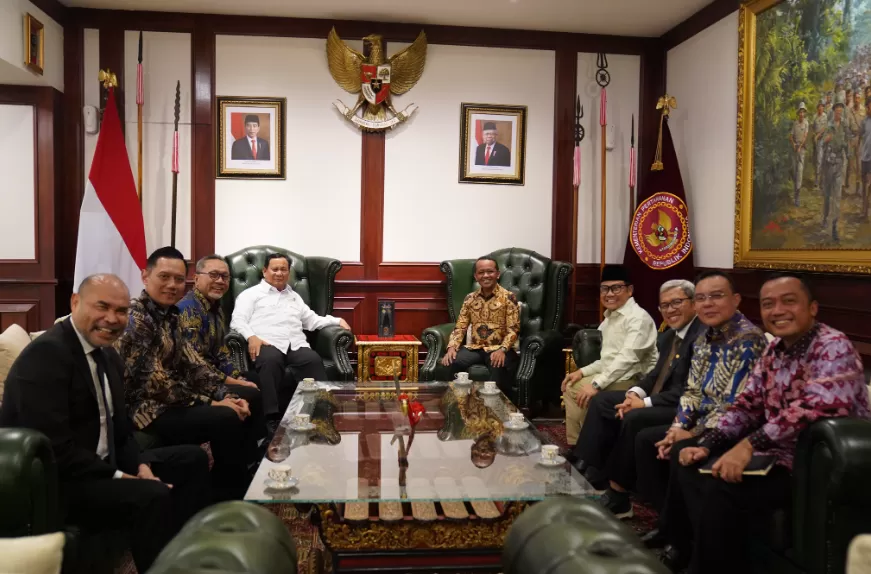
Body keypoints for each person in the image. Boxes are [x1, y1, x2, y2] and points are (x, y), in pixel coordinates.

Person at [659, 274, 870, 574]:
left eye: (789, 301)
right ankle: (697, 554)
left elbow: (815, 406)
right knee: (693, 465)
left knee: (722, 491)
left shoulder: (832, 346)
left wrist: (748, 445)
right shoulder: (775, 351)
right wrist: (708, 444)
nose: (778, 310)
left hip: (818, 467)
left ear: (812, 308)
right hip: (777, 455)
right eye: (769, 304)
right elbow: (747, 403)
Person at [0, 274, 210, 573]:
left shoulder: (108, 355)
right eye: (102, 307)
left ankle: (188, 551)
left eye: (121, 311)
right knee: (152, 496)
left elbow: (121, 428)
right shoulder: (47, 355)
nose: (112, 319)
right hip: (60, 481)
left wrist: (140, 467)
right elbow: (56, 451)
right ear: (75, 302)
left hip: (100, 463)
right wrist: (123, 478)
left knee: (191, 458)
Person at [116, 247, 263, 500]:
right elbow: (158, 383)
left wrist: (225, 392)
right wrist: (213, 401)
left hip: (170, 403)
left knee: (237, 402)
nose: (172, 285)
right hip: (145, 410)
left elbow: (194, 364)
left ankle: (237, 478)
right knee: (225, 416)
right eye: (164, 277)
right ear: (145, 276)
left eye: (178, 279)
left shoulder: (171, 315)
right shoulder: (137, 318)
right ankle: (227, 495)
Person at [633, 270, 767, 527]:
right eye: (702, 298)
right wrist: (676, 428)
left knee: (678, 449)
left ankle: (679, 532)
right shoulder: (704, 339)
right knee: (648, 440)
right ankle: (666, 519)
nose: (708, 304)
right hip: (703, 422)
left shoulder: (748, 339)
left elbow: (734, 405)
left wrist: (693, 432)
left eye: (716, 297)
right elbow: (692, 392)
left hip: (733, 429)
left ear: (736, 299)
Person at [570, 279, 704, 519]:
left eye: (677, 303)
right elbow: (655, 375)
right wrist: (635, 394)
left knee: (634, 416)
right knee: (605, 401)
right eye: (665, 306)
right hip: (660, 395)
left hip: (683, 405)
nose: (670, 310)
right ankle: (593, 467)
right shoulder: (671, 335)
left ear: (694, 304)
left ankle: (619, 494)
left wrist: (644, 403)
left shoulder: (702, 337)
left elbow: (689, 389)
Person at [230, 253, 352, 432]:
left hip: (295, 343)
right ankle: (271, 418)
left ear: (288, 273)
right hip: (266, 343)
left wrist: (335, 320)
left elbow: (311, 320)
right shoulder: (251, 295)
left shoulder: (294, 296)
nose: (279, 273)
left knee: (312, 359)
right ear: (265, 271)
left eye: (283, 269)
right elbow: (238, 321)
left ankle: (320, 414)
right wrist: (251, 337)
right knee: (270, 361)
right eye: (275, 269)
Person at [561, 265, 658, 446]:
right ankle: (577, 444)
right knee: (572, 383)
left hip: (636, 381)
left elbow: (627, 359)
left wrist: (596, 384)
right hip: (617, 375)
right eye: (605, 289)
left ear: (629, 290)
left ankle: (588, 445)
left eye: (616, 288)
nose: (609, 294)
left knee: (582, 390)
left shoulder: (638, 318)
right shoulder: (610, 319)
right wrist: (581, 372)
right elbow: (607, 360)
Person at [177, 255, 265, 436]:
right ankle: (252, 447)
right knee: (251, 392)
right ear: (196, 278)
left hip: (213, 374)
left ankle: (254, 443)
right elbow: (196, 365)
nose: (220, 281)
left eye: (224, 277)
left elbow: (222, 353)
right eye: (214, 275)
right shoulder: (188, 310)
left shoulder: (216, 308)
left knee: (255, 378)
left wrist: (238, 376)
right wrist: (235, 382)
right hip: (196, 380)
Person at [441, 256, 520, 392]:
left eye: (490, 272)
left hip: (500, 348)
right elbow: (461, 326)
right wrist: (452, 347)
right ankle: (453, 405)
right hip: (475, 348)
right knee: (451, 361)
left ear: (497, 274)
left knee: (498, 364)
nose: (486, 276)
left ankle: (497, 410)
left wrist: (502, 349)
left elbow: (513, 329)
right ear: (476, 276)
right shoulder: (470, 298)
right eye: (481, 272)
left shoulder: (508, 297)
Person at [822, 93, 850, 242]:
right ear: (833, 111)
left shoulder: (844, 126)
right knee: (827, 195)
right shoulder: (829, 126)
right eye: (837, 109)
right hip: (828, 165)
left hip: (839, 164)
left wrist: (848, 154)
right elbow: (821, 144)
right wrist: (826, 140)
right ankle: (825, 216)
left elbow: (846, 143)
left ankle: (834, 226)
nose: (839, 112)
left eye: (841, 109)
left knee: (837, 197)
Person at [789, 102, 809, 206]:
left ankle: (797, 197)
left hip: (801, 150)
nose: (801, 114)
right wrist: (793, 145)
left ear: (804, 113)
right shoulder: (795, 123)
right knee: (794, 171)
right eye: (800, 112)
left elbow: (805, 136)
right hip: (795, 149)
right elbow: (791, 136)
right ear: (798, 113)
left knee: (800, 172)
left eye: (803, 112)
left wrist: (800, 147)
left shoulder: (806, 123)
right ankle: (795, 191)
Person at [860, 96, 871, 220]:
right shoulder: (864, 121)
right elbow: (860, 134)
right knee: (864, 184)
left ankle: (866, 211)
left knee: (869, 184)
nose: (869, 108)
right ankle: (864, 209)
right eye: (868, 106)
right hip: (865, 156)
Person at [813, 99, 828, 188]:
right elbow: (813, 127)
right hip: (816, 141)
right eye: (819, 106)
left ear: (823, 107)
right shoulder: (815, 116)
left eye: (822, 106)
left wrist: (818, 135)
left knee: (821, 160)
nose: (820, 108)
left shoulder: (825, 116)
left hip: (823, 140)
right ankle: (817, 179)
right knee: (816, 160)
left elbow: (825, 128)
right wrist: (815, 135)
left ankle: (819, 181)